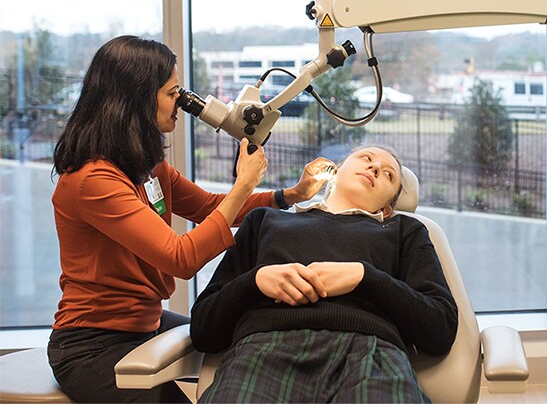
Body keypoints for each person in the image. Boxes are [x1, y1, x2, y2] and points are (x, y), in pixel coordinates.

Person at [48, 35, 332, 403]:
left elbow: (208, 207)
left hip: (145, 324)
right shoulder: (93, 180)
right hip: (93, 344)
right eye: (173, 93)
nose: (182, 103)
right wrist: (243, 184)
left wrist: (290, 195)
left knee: (239, 344)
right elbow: (181, 259)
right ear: (137, 97)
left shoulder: (144, 166)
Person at [190, 146, 459, 404]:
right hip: (263, 351)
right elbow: (203, 329)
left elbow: (440, 328)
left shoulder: (404, 231)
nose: (375, 167)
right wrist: (255, 282)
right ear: (337, 170)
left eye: (388, 174)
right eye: (366, 158)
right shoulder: (265, 221)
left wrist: (366, 278)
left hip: (370, 357)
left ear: (387, 208)